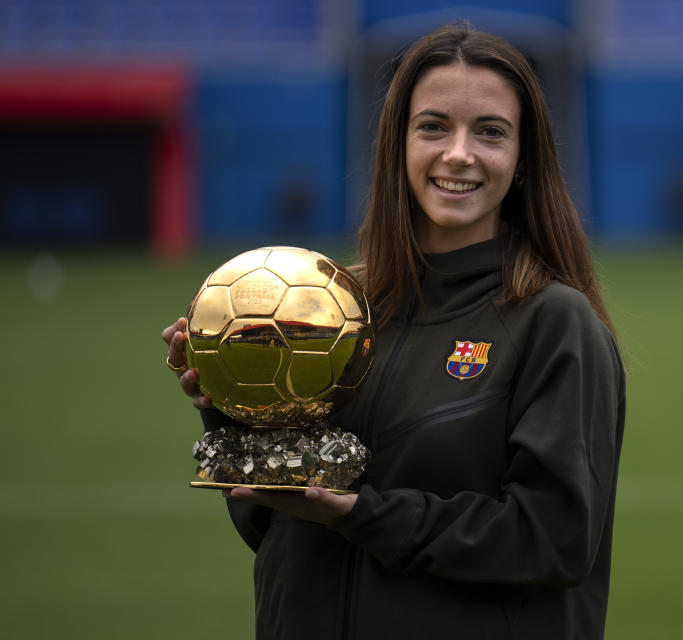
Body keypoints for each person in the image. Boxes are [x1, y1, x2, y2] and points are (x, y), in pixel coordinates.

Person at [162, 23, 625, 640]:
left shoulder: (552, 321)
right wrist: (234, 414)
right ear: (398, 145)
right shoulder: (334, 314)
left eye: (489, 131)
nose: (458, 153)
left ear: (521, 161)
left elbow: (552, 541)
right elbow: (275, 533)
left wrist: (363, 513)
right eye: (433, 126)